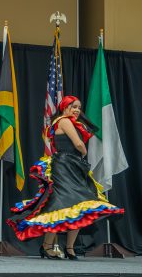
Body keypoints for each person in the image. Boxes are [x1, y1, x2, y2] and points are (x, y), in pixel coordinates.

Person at [7, 95, 124, 260]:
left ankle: (69, 248)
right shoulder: (64, 121)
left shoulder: (69, 122)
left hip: (72, 166)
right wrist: (83, 152)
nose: (77, 110)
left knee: (78, 206)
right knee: (61, 205)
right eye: (74, 106)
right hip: (65, 166)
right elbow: (78, 144)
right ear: (64, 107)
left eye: (79, 107)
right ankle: (48, 247)